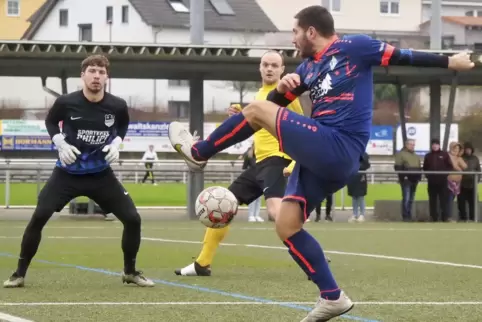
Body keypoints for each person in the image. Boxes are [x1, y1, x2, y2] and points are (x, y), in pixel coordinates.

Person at [168, 5, 473, 320]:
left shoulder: (355, 47)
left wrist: (450, 61)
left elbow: (404, 56)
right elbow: (267, 111)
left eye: (296, 32)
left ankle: (200, 152)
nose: (293, 39)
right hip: (322, 154)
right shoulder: (306, 69)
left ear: (311, 31)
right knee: (286, 224)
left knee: (255, 110)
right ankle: (332, 297)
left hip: (339, 144)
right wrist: (278, 95)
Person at [3, 55, 154, 288]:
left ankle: (130, 272)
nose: (96, 76)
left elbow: (123, 124)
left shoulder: (117, 105)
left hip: (101, 175)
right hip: (67, 174)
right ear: (82, 75)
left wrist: (116, 143)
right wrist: (60, 143)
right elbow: (51, 122)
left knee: (133, 219)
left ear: (107, 77)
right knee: (40, 216)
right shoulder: (66, 102)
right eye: (92, 71)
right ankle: (19, 274)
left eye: (101, 72)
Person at [174, 51, 304, 277]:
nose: (270, 69)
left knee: (277, 213)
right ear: (260, 67)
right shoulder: (259, 95)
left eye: (275, 65)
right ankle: (202, 264)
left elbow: (301, 130)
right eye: (266, 64)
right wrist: (239, 116)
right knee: (222, 206)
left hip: (277, 161)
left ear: (282, 69)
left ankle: (311, 256)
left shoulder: (288, 97)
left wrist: (294, 163)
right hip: (259, 164)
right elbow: (254, 128)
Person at [423, 139, 453, 222]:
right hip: (432, 182)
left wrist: (444, 175)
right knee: (432, 200)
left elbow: (449, 166)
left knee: (444, 200)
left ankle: (445, 217)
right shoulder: (428, 156)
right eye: (433, 144)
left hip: (442, 182)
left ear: (439, 145)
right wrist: (428, 176)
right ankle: (433, 217)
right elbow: (425, 168)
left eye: (436, 144)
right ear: (431, 146)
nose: (435, 146)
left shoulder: (444, 154)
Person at [394, 139, 422, 221]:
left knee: (411, 198)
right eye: (411, 144)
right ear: (406, 145)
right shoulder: (401, 154)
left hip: (414, 179)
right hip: (406, 179)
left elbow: (419, 167)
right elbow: (398, 167)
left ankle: (409, 214)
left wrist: (419, 177)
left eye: (413, 144)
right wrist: (403, 177)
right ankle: (405, 216)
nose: (412, 146)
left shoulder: (416, 156)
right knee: (406, 198)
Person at [458, 142, 481, 222]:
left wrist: (476, 180)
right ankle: (463, 218)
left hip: (472, 185)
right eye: (466, 149)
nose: (468, 151)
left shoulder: (475, 159)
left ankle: (472, 218)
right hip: (462, 185)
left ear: (472, 150)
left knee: (473, 203)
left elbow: (478, 170)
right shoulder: (460, 158)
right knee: (461, 203)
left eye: (469, 149)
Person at [241, 144, 263, 222]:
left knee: (258, 198)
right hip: (251, 179)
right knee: (252, 198)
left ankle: (257, 215)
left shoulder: (262, 156)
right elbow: (244, 167)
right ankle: (251, 215)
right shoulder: (249, 156)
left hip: (261, 178)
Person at [347, 152, 370, 223]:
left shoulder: (364, 154)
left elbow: (367, 165)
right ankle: (355, 214)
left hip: (361, 177)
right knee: (354, 197)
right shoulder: (350, 152)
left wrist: (357, 166)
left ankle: (362, 214)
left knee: (360, 196)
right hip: (352, 177)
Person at [447, 141, 467, 221]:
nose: (456, 150)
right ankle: (448, 216)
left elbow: (465, 166)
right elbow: (454, 166)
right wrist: (459, 169)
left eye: (458, 148)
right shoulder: (448, 156)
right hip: (449, 182)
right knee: (449, 199)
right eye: (455, 148)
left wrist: (459, 159)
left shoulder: (459, 158)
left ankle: (450, 216)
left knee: (453, 199)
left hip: (458, 183)